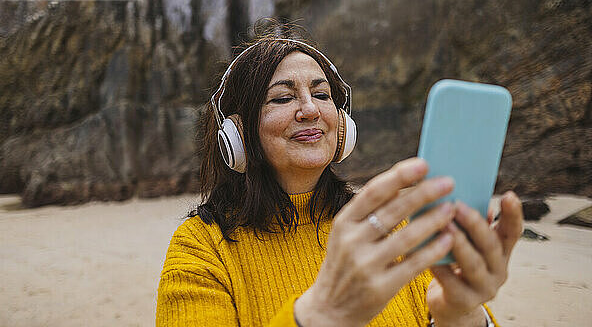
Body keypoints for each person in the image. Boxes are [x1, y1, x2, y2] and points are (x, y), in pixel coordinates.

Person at [156, 20, 523, 327]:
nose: (310, 110)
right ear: (237, 133)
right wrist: (322, 313)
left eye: (322, 94)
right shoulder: (200, 250)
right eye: (282, 98)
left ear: (342, 124)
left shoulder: (392, 224)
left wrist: (462, 316)